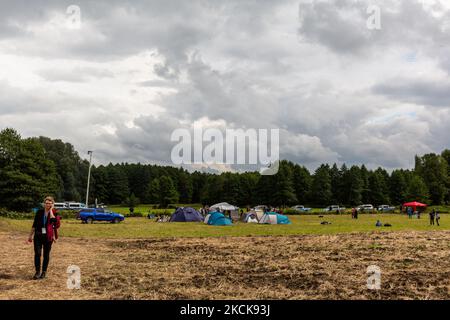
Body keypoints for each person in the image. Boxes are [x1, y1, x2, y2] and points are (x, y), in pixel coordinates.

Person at [28, 196, 61, 280]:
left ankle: (44, 272)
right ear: (44, 204)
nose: (48, 205)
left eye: (50, 203)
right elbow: (34, 225)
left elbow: (56, 224)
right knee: (37, 254)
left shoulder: (54, 213)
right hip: (38, 235)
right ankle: (37, 272)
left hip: (48, 237)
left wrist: (51, 210)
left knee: (46, 255)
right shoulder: (39, 212)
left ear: (52, 204)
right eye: (46, 203)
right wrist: (30, 236)